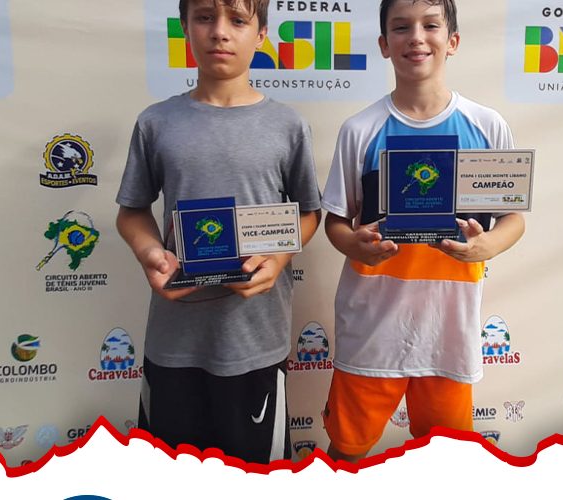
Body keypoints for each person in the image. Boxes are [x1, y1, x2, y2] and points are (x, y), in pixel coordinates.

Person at [115, 0, 321, 464]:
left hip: (255, 339)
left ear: (261, 34)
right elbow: (132, 211)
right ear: (185, 27)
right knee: (171, 478)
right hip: (175, 340)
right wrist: (150, 251)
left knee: (255, 477)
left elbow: (310, 214)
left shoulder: (288, 125)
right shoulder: (156, 122)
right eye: (205, 17)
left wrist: (279, 258)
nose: (220, 32)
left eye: (238, 20)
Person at [320, 0, 525, 462]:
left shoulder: (486, 126)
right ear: (383, 44)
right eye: (401, 27)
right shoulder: (360, 130)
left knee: (447, 458)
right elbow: (336, 221)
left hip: (448, 328)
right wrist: (355, 245)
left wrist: (488, 245)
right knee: (346, 451)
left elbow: (513, 219)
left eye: (430, 25)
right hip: (372, 326)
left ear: (452, 41)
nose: (416, 37)